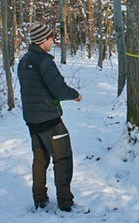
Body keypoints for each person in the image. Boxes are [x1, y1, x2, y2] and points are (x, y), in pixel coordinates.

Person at [17, 23, 82, 211]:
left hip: (32, 119)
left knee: (40, 158)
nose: (53, 41)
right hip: (48, 119)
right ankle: (66, 203)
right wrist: (75, 94)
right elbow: (58, 89)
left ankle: (40, 200)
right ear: (43, 40)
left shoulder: (25, 60)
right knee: (63, 158)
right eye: (51, 38)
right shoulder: (44, 61)